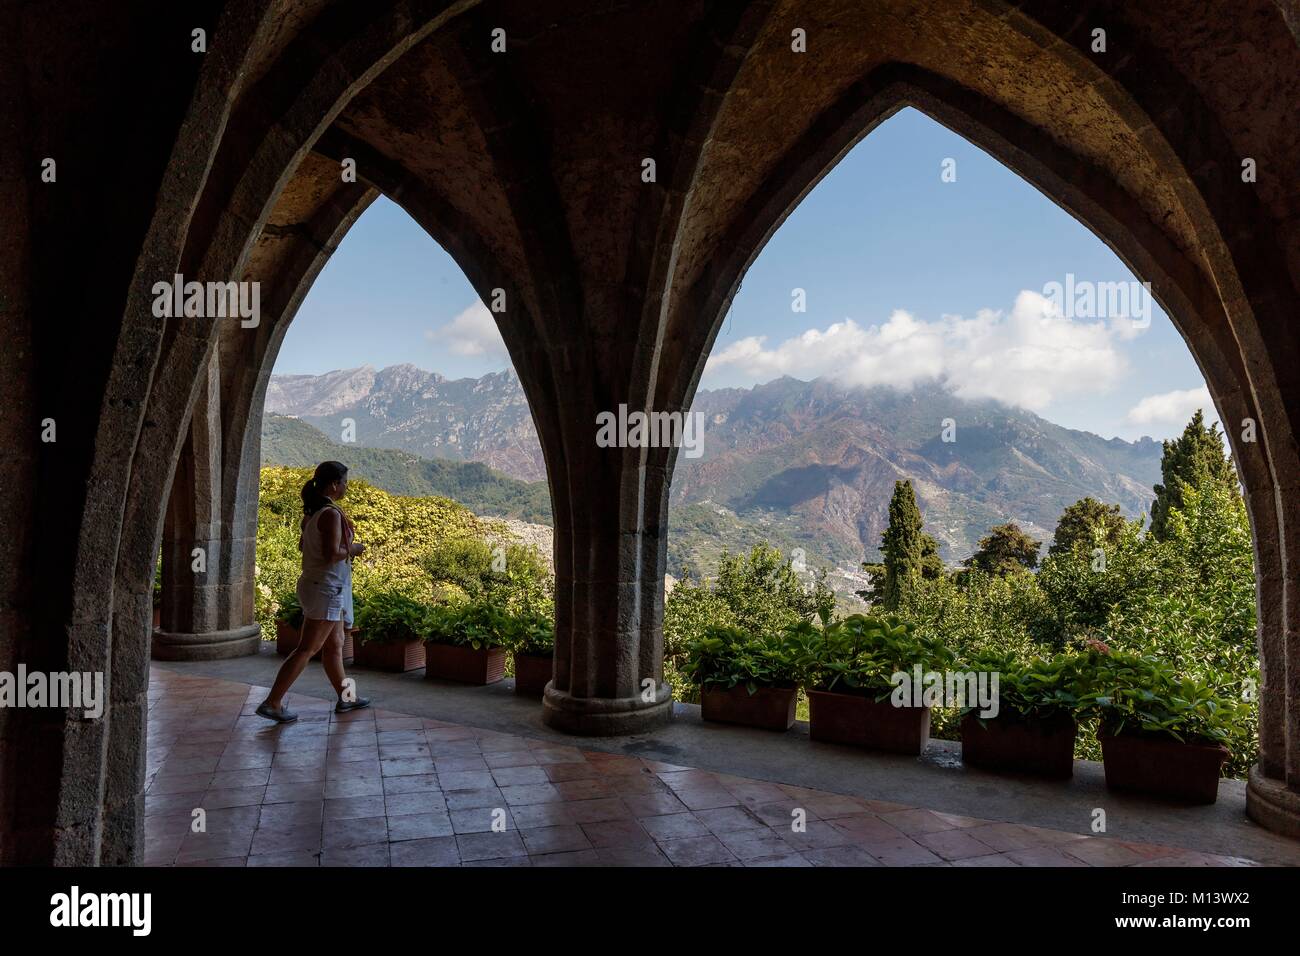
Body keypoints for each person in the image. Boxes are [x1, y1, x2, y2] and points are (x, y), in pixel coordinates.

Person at [257, 461, 371, 722]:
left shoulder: (312, 514)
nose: (345, 487)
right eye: (344, 483)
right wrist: (355, 549)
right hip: (326, 588)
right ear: (334, 485)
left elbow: (304, 547)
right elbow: (333, 554)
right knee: (307, 648)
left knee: (335, 644)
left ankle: (346, 698)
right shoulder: (330, 514)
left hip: (319, 585)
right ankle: (272, 702)